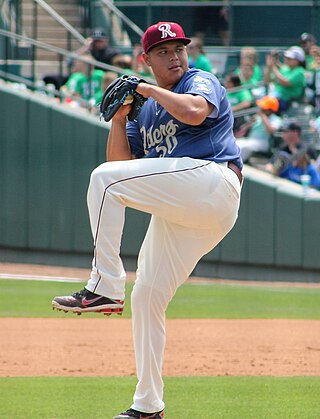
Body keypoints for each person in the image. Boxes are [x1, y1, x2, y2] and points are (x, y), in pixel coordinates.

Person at [52, 21, 243, 419]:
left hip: (213, 181)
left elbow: (193, 113)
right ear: (146, 59)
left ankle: (104, 286)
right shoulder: (145, 110)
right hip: (187, 210)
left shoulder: (199, 80)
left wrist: (143, 88)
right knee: (147, 297)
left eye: (179, 49)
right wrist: (122, 118)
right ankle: (148, 406)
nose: (174, 56)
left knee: (101, 180)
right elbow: (123, 166)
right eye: (163, 52)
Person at [236, 95, 282, 162]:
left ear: (270, 110)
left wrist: (263, 116)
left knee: (244, 147)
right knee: (236, 143)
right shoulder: (258, 116)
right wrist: (250, 123)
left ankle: (237, 164)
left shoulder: (276, 119)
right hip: (251, 140)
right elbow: (243, 128)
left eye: (264, 108)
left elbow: (270, 131)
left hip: (263, 143)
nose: (261, 109)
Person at [264, 46, 306, 112]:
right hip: (275, 99)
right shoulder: (285, 68)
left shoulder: (300, 71)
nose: (286, 59)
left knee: (264, 110)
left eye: (289, 58)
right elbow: (267, 80)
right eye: (286, 57)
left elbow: (285, 82)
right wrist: (270, 66)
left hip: (287, 102)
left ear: (297, 60)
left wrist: (273, 67)